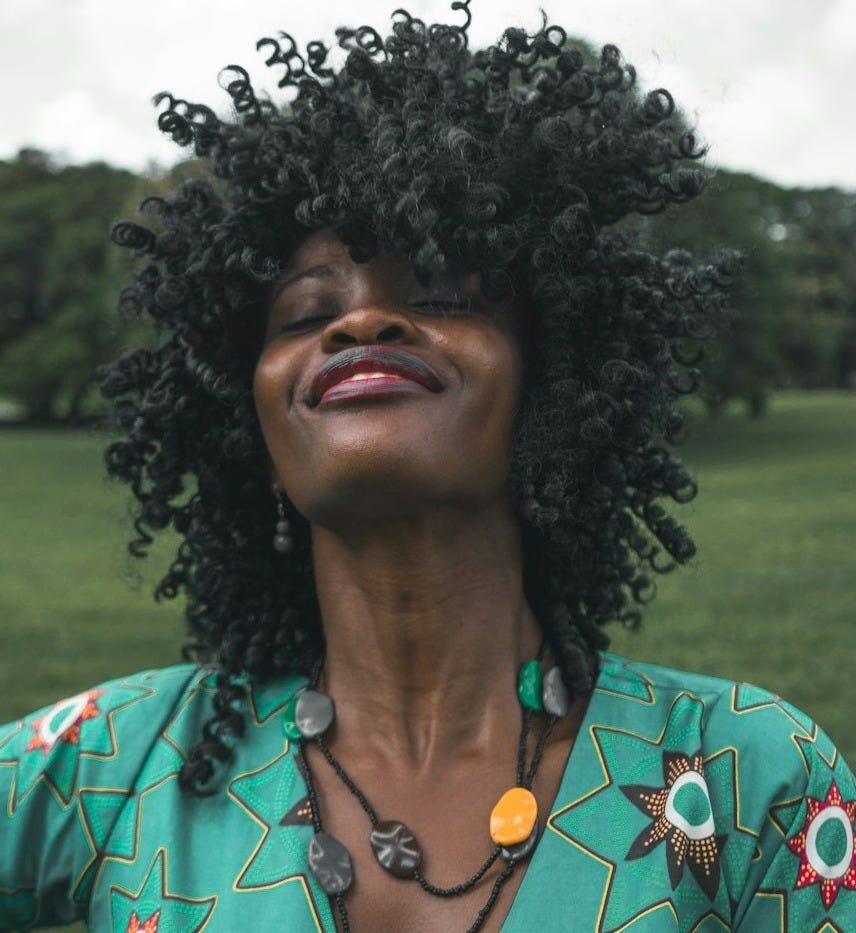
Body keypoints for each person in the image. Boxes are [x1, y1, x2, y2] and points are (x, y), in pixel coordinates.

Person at [2, 3, 854, 931]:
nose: (360, 322)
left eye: (442, 292)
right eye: (302, 313)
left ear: (553, 388)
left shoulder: (747, 778)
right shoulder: (117, 765)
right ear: (249, 431)